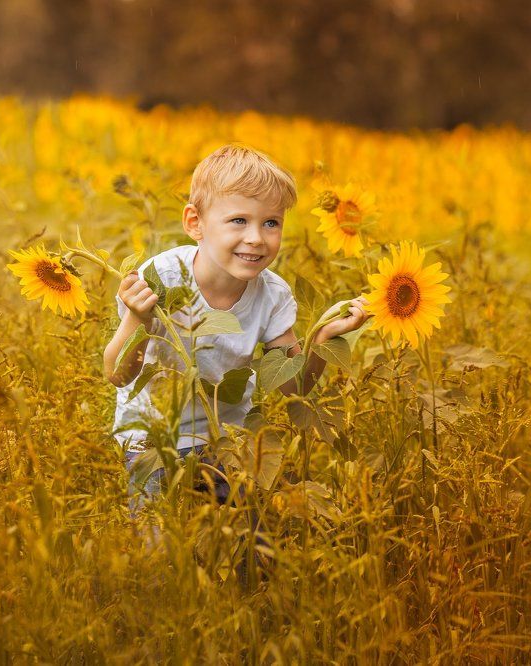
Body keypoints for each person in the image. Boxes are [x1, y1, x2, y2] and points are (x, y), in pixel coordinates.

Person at [102, 143, 369, 560]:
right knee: (161, 554)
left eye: (271, 223)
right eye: (239, 220)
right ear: (196, 222)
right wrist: (137, 317)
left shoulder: (273, 295)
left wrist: (324, 339)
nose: (256, 239)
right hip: (153, 437)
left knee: (255, 547)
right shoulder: (161, 275)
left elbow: (292, 385)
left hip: (227, 439)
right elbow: (117, 374)